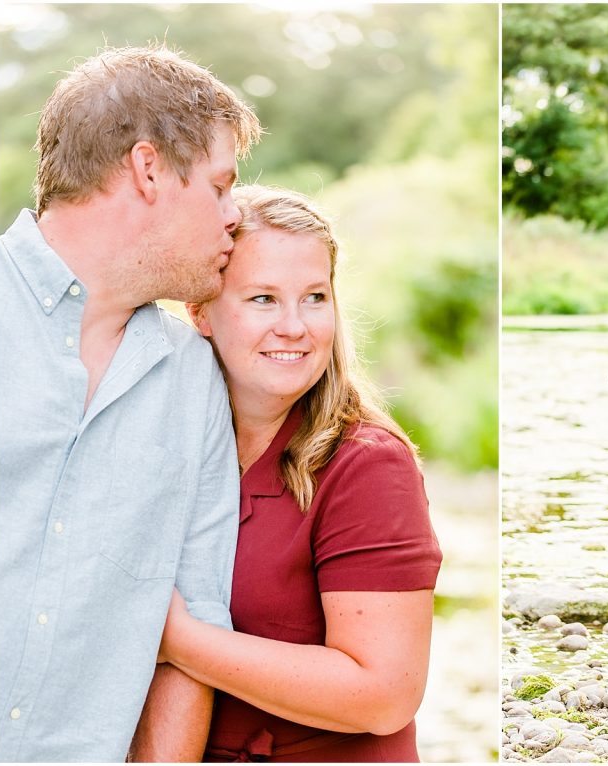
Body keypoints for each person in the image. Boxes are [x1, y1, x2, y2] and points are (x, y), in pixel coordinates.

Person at [0, 45, 261, 762]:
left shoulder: (193, 377)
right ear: (148, 169)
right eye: (220, 186)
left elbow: (193, 620)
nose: (236, 216)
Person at [154, 185, 443, 762]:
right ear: (200, 311)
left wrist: (175, 639)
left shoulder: (366, 464)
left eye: (314, 297)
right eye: (262, 298)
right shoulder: (160, 444)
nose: (295, 326)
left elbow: (383, 695)